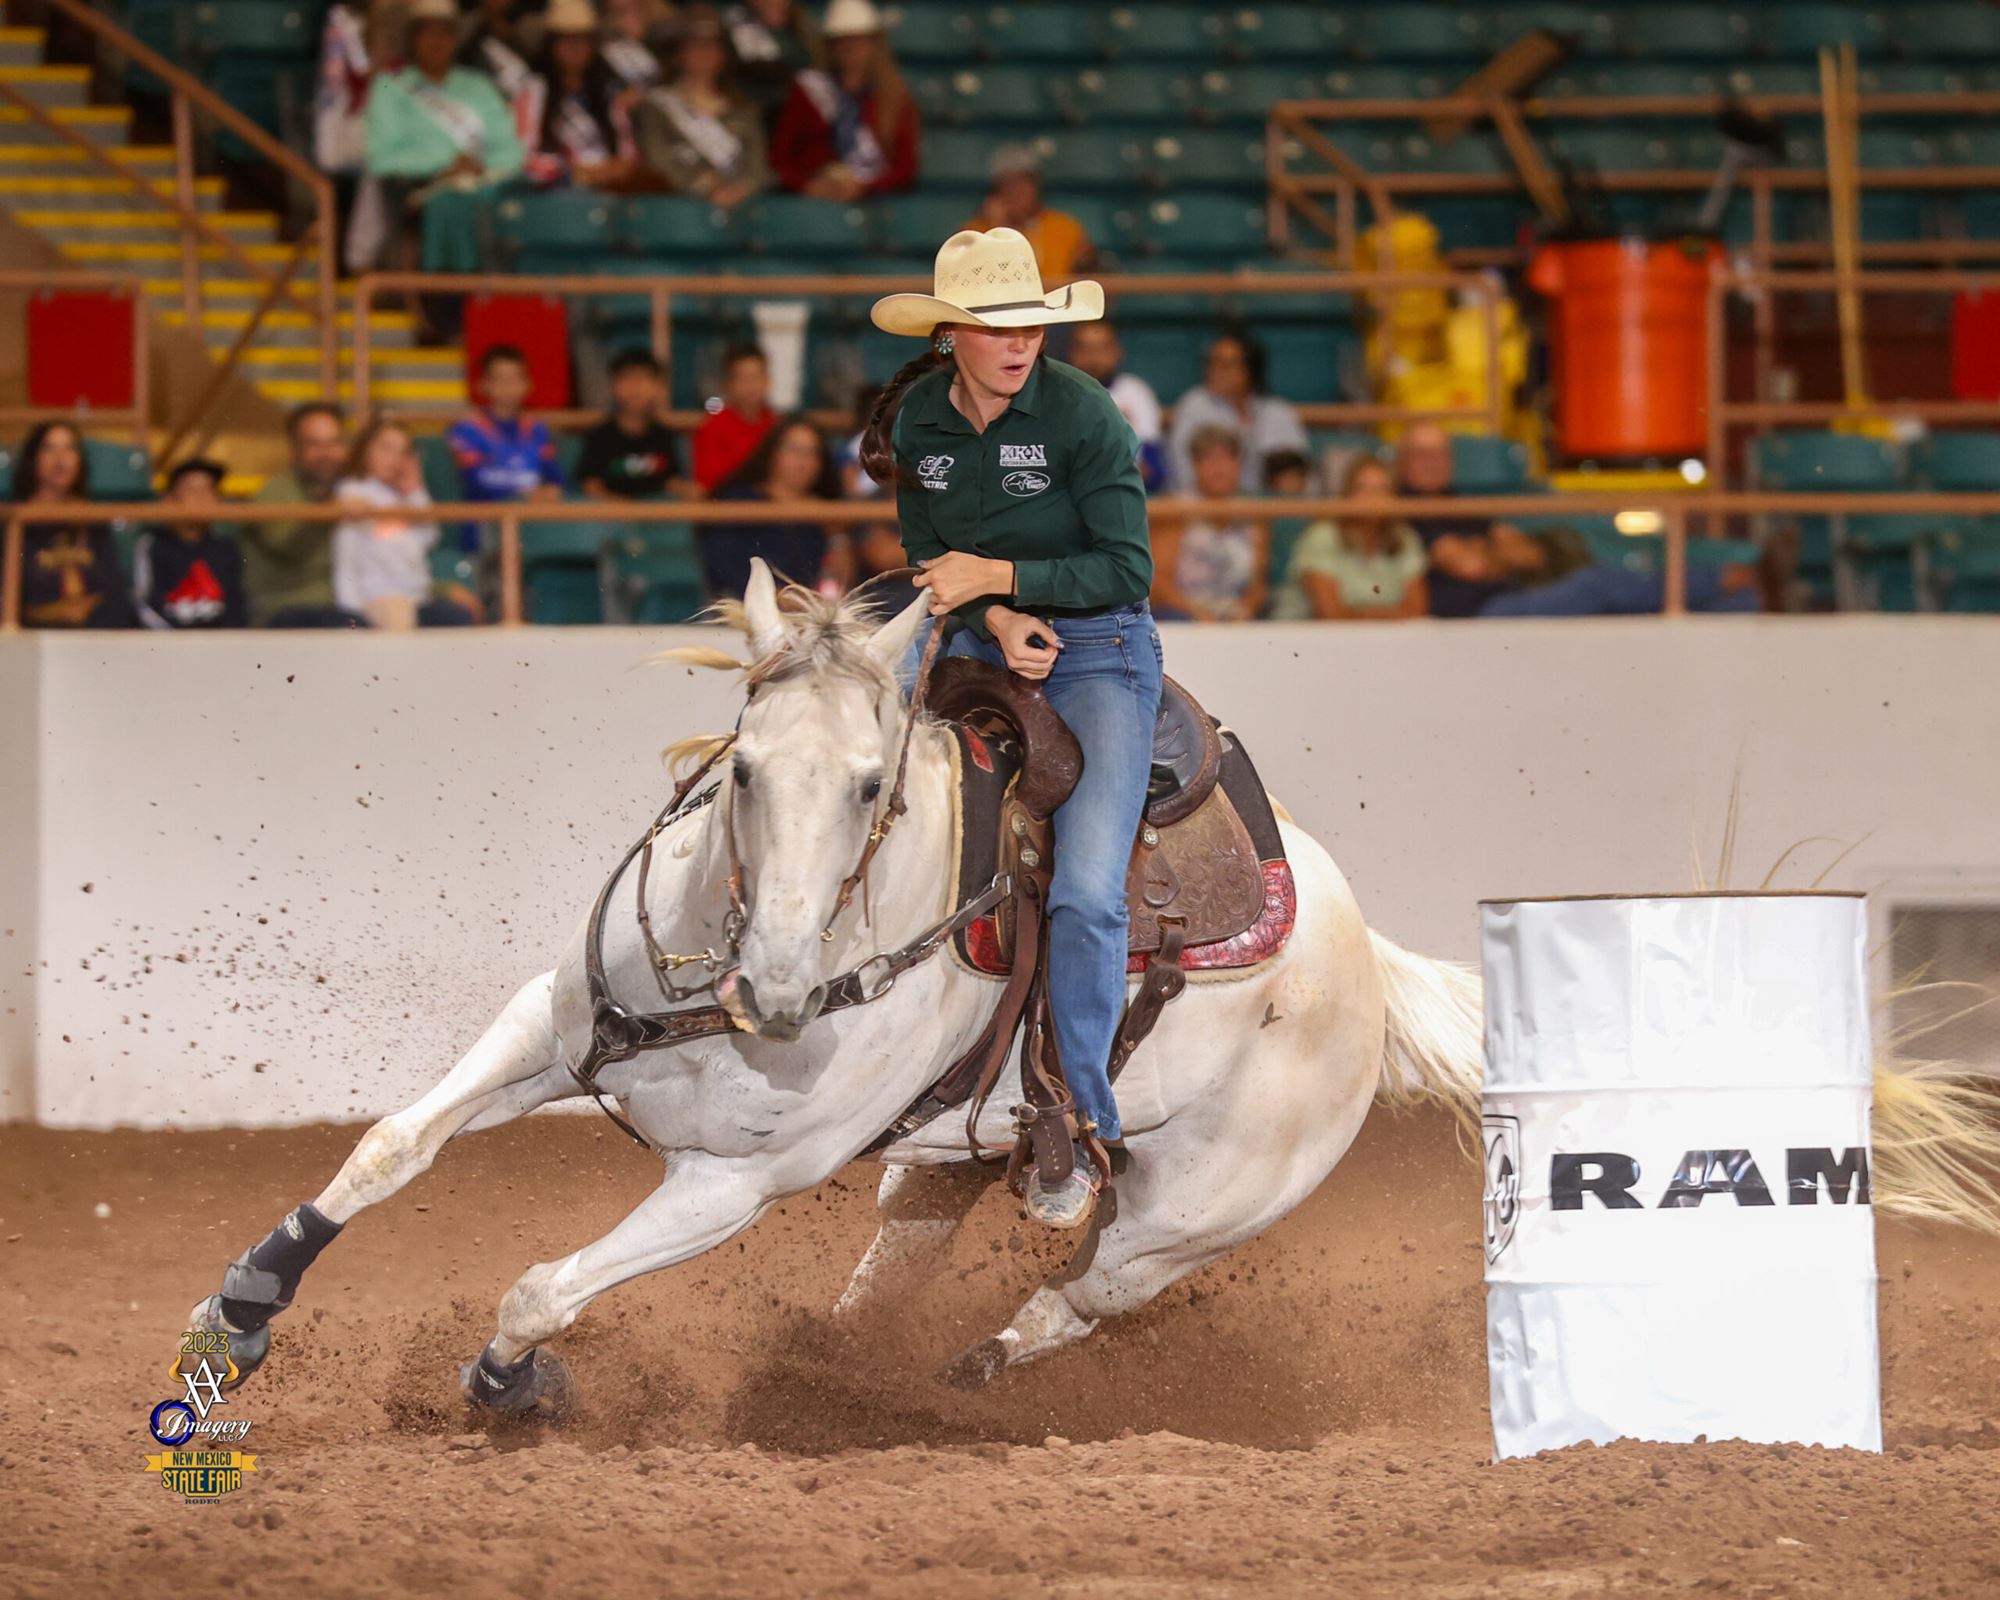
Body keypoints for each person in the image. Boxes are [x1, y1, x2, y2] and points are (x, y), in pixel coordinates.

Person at [864, 226, 1160, 1230]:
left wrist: (998, 577)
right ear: (949, 335)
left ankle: (1081, 1115)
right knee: (840, 775)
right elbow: (927, 553)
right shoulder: (918, 420)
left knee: (1085, 892)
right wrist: (992, 615)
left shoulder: (1083, 414)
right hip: (974, 636)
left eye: (1031, 323)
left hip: (1102, 652)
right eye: (996, 326)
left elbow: (1127, 568)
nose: (1020, 341)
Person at [1396, 421, 1762, 617]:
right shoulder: (1408, 510)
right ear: (1403, 462)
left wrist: (1484, 550)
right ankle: (1720, 576)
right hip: (1480, 613)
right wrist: (1490, 552)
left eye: (1440, 452)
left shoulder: (1460, 502)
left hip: (1517, 594)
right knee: (1596, 584)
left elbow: (1529, 555)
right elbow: (1472, 566)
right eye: (1422, 453)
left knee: (1739, 605)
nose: (1433, 462)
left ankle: (1740, 592)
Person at [364, 0, 525, 273]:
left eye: (445, 33)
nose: (437, 42)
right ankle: (450, 291)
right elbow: (382, 158)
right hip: (420, 190)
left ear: (456, 39)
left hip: (485, 184)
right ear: (413, 39)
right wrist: (447, 164)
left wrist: (478, 167)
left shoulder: (478, 86)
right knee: (451, 205)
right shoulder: (391, 87)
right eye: (428, 33)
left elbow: (511, 151)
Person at [332, 417, 479, 628]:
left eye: (402, 452)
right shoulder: (354, 492)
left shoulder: (405, 495)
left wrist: (415, 490)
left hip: (417, 596)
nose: (394, 458)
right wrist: (352, 611)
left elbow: (429, 537)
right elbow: (346, 559)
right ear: (364, 450)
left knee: (456, 616)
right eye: (386, 448)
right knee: (399, 616)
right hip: (377, 597)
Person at [770, 0, 917, 198]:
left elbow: (905, 168)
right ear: (830, 46)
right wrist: (808, 186)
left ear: (874, 45)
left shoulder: (894, 97)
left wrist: (863, 187)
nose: (850, 48)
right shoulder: (808, 90)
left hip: (873, 201)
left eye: (858, 41)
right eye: (841, 41)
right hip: (814, 199)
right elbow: (781, 159)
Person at [634, 3, 772, 207]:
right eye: (696, 45)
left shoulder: (744, 109)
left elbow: (758, 168)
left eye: (712, 45)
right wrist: (706, 186)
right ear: (679, 53)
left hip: (742, 208)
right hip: (681, 209)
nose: (705, 53)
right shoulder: (656, 106)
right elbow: (659, 160)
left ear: (724, 54)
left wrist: (741, 190)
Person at [248, 403, 369, 628]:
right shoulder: (274, 493)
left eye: (334, 443)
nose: (326, 453)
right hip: (287, 610)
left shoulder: (354, 489)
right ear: (294, 448)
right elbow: (289, 545)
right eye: (314, 444)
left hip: (352, 604)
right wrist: (332, 509)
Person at [1271, 452, 1429, 621]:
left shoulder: (1404, 537)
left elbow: (1417, 609)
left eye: (1382, 489)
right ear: (1348, 493)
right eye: (1363, 488)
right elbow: (1330, 613)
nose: (1373, 498)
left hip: (1384, 634)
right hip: (1303, 633)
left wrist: (1370, 617)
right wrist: (1385, 616)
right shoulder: (1322, 536)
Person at [10, 422, 133, 630]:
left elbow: (114, 592)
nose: (60, 459)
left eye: (69, 448)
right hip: (32, 636)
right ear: (33, 460)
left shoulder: (94, 520)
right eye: (49, 448)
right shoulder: (13, 522)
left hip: (95, 635)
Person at [696, 414, 834, 597]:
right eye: (793, 449)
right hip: (743, 606)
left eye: (812, 452)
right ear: (772, 453)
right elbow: (725, 566)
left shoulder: (827, 512)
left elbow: (834, 580)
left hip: (811, 608)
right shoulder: (738, 501)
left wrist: (838, 538)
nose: (803, 460)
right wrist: (779, 598)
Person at [1165, 329, 1307, 495]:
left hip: (1267, 504)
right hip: (1207, 501)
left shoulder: (1278, 412)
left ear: (1250, 369)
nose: (1216, 370)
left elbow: (1299, 472)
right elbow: (1181, 470)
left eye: (1226, 364)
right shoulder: (1195, 405)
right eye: (1212, 362)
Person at [1148, 426, 1267, 622]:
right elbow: (1159, 583)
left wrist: (1244, 610)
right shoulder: (1174, 510)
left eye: (1227, 458)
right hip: (1184, 612)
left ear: (1239, 464)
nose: (1219, 467)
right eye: (1209, 459)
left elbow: (1258, 583)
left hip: (1235, 613)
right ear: (1195, 465)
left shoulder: (1254, 513)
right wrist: (1198, 615)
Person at [526, 0, 642, 190]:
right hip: (554, 194)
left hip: (608, 192)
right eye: (567, 40)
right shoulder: (534, 92)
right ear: (552, 45)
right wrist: (570, 171)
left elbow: (628, 155)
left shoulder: (608, 92)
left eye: (583, 40)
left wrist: (610, 170)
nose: (575, 48)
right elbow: (524, 156)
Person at [449, 344, 568, 512]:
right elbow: (474, 481)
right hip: (485, 516)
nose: (508, 387)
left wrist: (553, 489)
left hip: (531, 514)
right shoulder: (467, 429)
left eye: (515, 379)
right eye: (500, 380)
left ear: (528, 384)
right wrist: (521, 495)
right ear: (483, 384)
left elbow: (554, 474)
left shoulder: (537, 429)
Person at [132, 459, 248, 630]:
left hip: (220, 642)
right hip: (166, 641)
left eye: (208, 490)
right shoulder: (152, 545)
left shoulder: (226, 549)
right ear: (169, 499)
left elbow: (236, 608)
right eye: (191, 489)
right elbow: (144, 604)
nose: (201, 497)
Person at [964, 144, 1096, 282]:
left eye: (1023, 183)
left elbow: (1090, 276)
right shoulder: (973, 233)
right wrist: (998, 226)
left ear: (1037, 186)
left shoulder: (1065, 227)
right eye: (1008, 184)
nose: (1016, 191)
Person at [1067, 318, 1165, 491]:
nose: (1093, 357)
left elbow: (1154, 470)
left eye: (1101, 348)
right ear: (1072, 353)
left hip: (1127, 493)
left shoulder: (1137, 392)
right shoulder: (1058, 394)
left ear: (1116, 352)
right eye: (1085, 349)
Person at [578, 349, 688, 499]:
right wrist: (623, 508)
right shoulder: (599, 436)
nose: (635, 387)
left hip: (655, 511)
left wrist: (686, 490)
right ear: (612, 385)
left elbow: (672, 481)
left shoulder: (664, 436)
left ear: (658, 387)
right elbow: (591, 486)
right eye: (627, 378)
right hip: (610, 512)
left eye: (643, 379)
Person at [691, 341, 776, 491]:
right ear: (728, 384)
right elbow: (711, 484)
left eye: (756, 376)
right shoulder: (712, 426)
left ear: (768, 380)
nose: (751, 385)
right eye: (743, 378)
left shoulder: (777, 426)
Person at [724, 0, 819, 127]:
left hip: (801, 107)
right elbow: (754, 66)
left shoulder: (802, 21)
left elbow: (812, 60)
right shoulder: (737, 21)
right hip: (759, 108)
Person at [601, 0, 674, 92]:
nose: (631, 16)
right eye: (621, 12)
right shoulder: (610, 52)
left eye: (636, 8)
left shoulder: (668, 39)